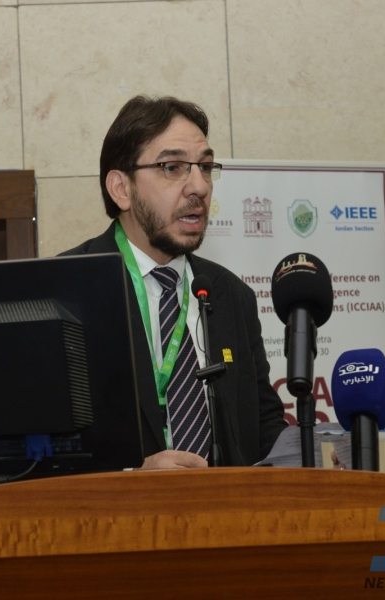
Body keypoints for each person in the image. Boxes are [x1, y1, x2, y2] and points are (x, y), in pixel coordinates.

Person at [61, 95, 286, 469]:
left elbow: (263, 427)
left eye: (205, 167)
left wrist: (315, 456)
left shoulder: (232, 295)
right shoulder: (68, 290)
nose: (199, 186)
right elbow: (43, 455)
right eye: (172, 167)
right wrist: (132, 477)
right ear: (121, 188)